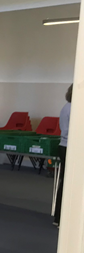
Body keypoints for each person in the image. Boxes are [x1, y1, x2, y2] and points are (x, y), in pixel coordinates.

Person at [53, 83, 72, 227]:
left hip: (64, 146)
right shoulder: (73, 108)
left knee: (65, 182)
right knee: (67, 184)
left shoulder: (66, 106)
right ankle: (61, 218)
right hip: (69, 148)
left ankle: (58, 218)